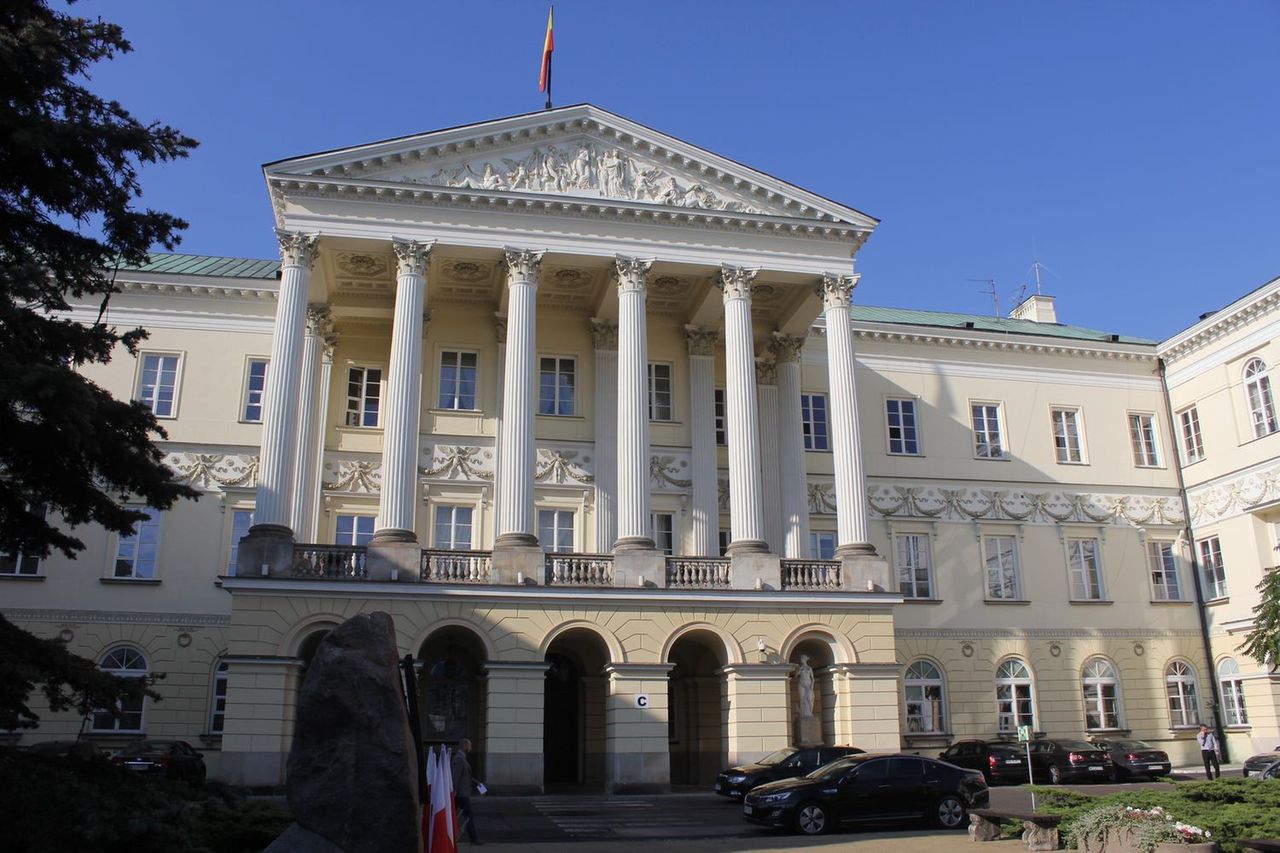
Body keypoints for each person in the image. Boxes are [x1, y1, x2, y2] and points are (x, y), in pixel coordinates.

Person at [451, 738, 483, 845]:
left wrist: (476, 782)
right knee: (468, 816)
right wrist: (454, 791)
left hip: (461, 793)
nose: (471, 748)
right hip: (461, 794)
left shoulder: (462, 757)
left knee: (454, 816)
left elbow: (465, 775)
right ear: (465, 746)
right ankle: (474, 839)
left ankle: (450, 836)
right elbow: (455, 776)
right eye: (470, 746)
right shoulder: (459, 759)